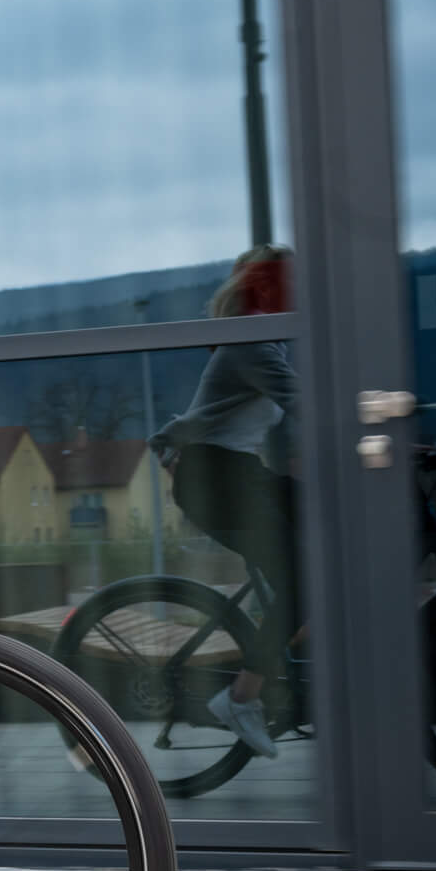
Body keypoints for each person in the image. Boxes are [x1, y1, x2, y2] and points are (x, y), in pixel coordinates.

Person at [150, 246, 300, 759]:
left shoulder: (267, 339)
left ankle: (279, 662)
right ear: (265, 290)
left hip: (239, 472)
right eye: (293, 284)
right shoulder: (252, 343)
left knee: (322, 543)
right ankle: (241, 698)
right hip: (218, 479)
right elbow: (310, 404)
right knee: (305, 578)